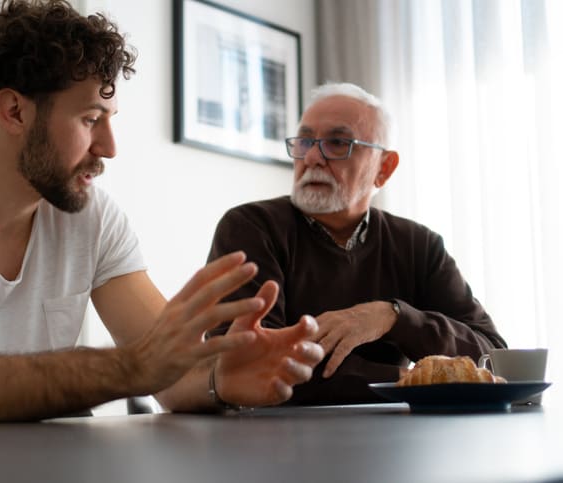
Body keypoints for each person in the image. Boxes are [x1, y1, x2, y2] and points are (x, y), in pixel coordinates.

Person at [0, 0, 325, 426]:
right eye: (90, 119)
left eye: (109, 121)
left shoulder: (91, 216)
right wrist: (129, 368)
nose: (109, 148)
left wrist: (220, 377)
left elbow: (169, 374)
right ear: (13, 112)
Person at [207, 82, 507, 405]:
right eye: (305, 140)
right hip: (270, 444)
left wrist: (393, 317)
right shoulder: (250, 228)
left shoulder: (420, 246)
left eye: (337, 143)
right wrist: (405, 381)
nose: (311, 157)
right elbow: (252, 365)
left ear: (384, 168)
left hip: (394, 444)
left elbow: (493, 358)